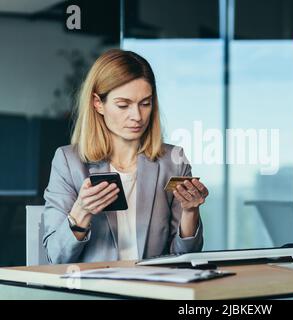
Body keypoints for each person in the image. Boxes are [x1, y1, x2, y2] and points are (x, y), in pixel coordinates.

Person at [42, 49, 208, 264]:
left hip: (155, 289)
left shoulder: (173, 161)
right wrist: (82, 212)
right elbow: (57, 257)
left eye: (145, 103)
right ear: (98, 104)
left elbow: (185, 258)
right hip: (97, 291)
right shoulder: (68, 162)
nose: (137, 116)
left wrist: (190, 212)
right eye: (123, 105)